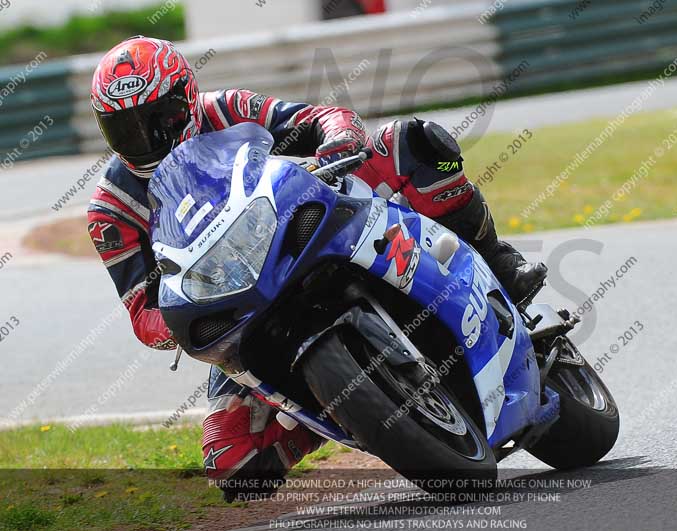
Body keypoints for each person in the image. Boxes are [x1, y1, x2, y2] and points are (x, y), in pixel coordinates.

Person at [87, 36, 545, 501]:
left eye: (157, 120)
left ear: (184, 98)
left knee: (413, 143)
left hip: (292, 228)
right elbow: (141, 313)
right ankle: (345, 409)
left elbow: (318, 118)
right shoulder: (111, 210)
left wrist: (338, 141)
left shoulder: (225, 109)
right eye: (125, 130)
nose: (146, 141)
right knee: (232, 463)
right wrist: (178, 308)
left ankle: (498, 261)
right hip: (236, 299)